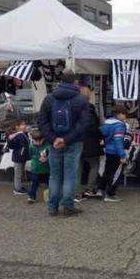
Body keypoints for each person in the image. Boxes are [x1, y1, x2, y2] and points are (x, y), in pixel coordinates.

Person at [37, 74, 91, 217]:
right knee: (70, 176)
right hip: (73, 142)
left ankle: (52, 207)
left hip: (54, 143)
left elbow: (42, 122)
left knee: (54, 176)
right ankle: (68, 206)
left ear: (60, 81)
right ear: (76, 82)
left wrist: (53, 138)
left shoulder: (49, 98)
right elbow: (84, 124)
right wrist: (66, 139)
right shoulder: (81, 100)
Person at [78, 85, 105, 199]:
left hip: (75, 140)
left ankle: (75, 191)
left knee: (77, 165)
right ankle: (89, 189)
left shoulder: (71, 106)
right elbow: (92, 126)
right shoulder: (89, 108)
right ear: (88, 94)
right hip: (89, 141)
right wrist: (101, 135)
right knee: (94, 165)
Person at [98, 105, 129, 202]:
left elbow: (103, 135)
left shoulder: (106, 123)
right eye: (124, 114)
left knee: (107, 171)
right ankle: (110, 194)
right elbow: (118, 140)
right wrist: (122, 155)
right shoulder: (119, 125)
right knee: (116, 173)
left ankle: (100, 189)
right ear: (119, 114)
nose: (125, 116)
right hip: (117, 152)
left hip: (108, 150)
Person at [7, 119, 30, 196]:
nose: (25, 126)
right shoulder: (16, 135)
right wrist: (10, 140)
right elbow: (11, 145)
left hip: (22, 157)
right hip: (18, 157)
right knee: (18, 174)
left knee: (20, 173)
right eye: (23, 124)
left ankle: (19, 186)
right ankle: (17, 189)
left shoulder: (23, 133)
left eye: (25, 124)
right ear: (17, 127)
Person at [27, 129, 50, 203]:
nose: (37, 143)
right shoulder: (31, 146)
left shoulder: (47, 146)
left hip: (46, 169)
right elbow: (30, 155)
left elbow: (51, 155)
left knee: (50, 183)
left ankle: (52, 195)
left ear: (43, 139)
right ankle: (31, 197)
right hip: (35, 170)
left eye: (39, 141)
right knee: (34, 184)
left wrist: (47, 159)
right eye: (35, 141)